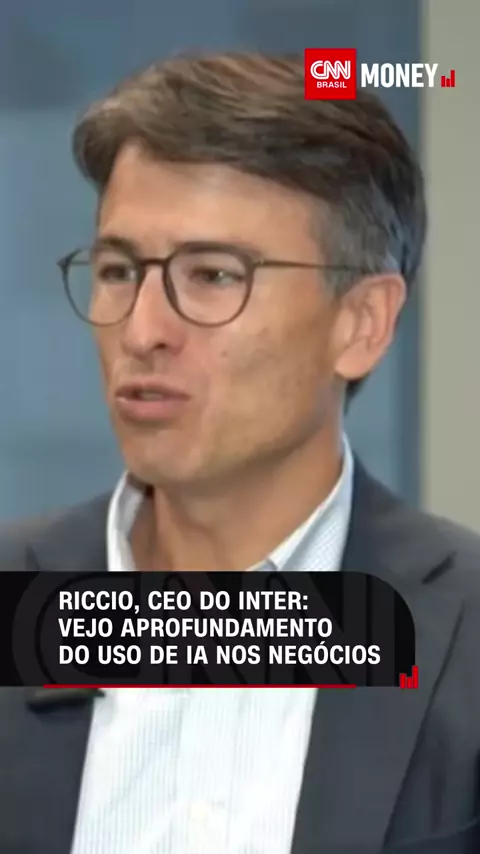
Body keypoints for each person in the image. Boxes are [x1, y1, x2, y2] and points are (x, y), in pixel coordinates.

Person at [0, 52, 479, 854]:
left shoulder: (463, 631)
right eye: (119, 271)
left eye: (214, 276)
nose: (142, 329)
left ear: (362, 323)